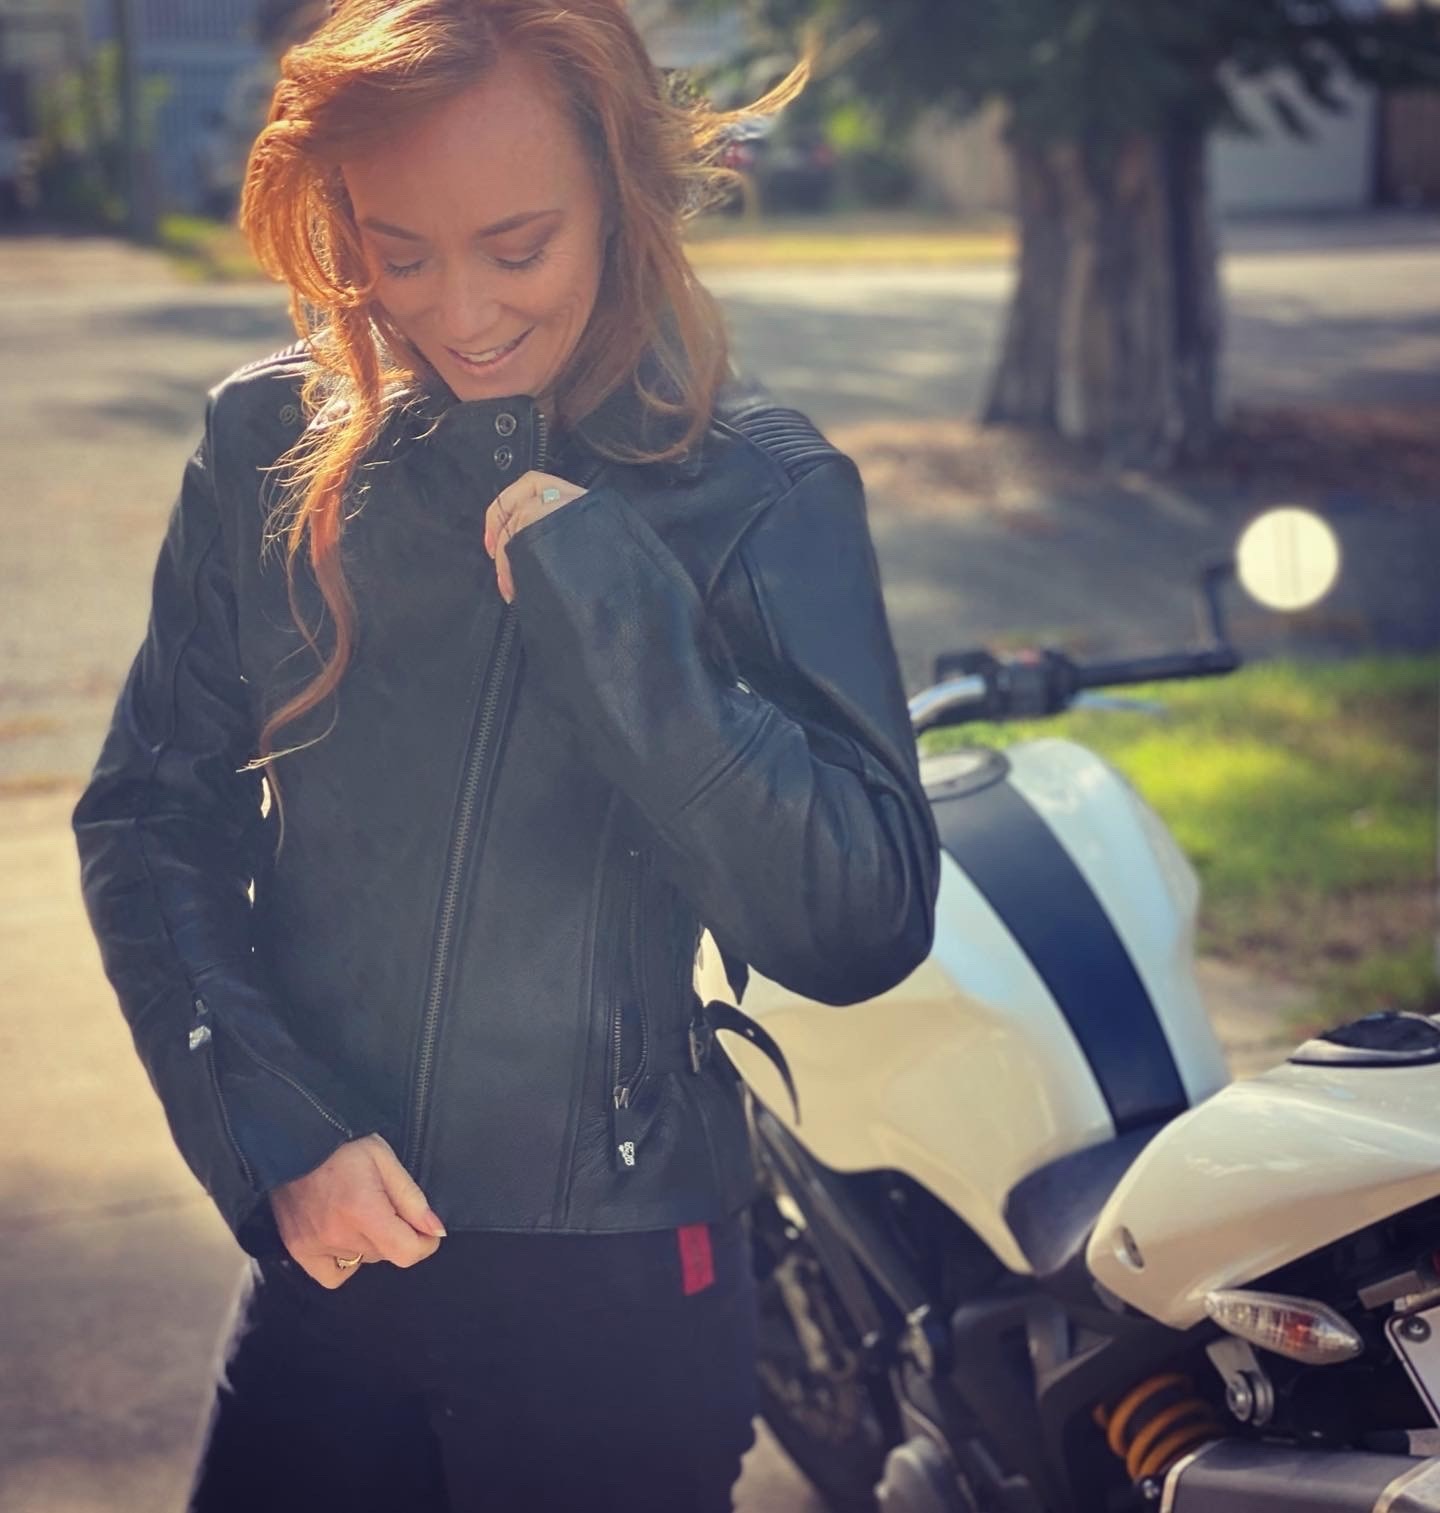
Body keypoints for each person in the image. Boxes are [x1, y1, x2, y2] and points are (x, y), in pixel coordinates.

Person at [70, 1, 942, 1509]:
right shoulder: (266, 445)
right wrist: (277, 1126)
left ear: (620, 190)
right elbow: (150, 814)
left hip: (613, 1292)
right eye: (399, 252)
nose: (457, 309)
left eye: (516, 246)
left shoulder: (759, 488)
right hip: (331, 1254)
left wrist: (624, 631)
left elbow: (858, 916)